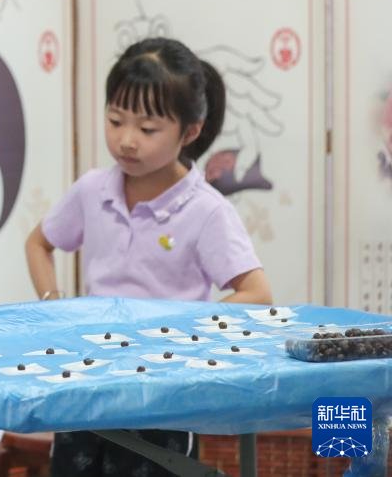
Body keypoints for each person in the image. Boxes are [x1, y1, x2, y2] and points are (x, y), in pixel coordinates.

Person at [24, 36, 273, 476]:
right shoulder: (92, 189)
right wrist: (54, 306)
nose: (126, 141)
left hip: (166, 389)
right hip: (88, 377)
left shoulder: (207, 210)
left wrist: (180, 323)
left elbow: (256, 292)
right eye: (115, 120)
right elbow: (38, 243)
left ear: (190, 131)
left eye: (148, 128)